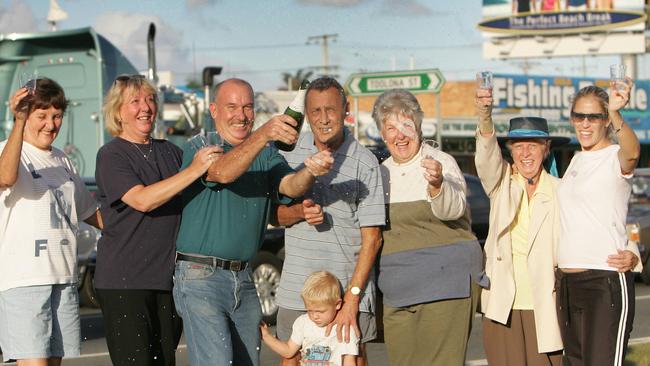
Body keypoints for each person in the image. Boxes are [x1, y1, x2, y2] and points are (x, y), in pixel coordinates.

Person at [172, 78, 334, 366]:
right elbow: (221, 172)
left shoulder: (267, 153)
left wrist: (310, 171)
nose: (241, 115)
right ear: (214, 110)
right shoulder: (201, 144)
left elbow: (290, 186)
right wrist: (263, 134)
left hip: (244, 278)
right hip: (200, 276)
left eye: (248, 107)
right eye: (231, 106)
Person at [94, 75, 219, 366]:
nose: (145, 107)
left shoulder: (170, 152)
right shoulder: (111, 155)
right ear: (117, 112)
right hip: (124, 283)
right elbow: (143, 200)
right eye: (135, 101)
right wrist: (194, 170)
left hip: (167, 281)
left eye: (150, 99)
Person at [273, 76, 385, 366]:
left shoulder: (365, 162)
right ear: (307, 114)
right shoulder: (288, 155)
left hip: (345, 296)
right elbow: (274, 216)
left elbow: (372, 240)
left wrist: (351, 301)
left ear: (345, 109)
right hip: (297, 291)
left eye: (331, 110)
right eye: (316, 112)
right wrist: (299, 212)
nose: (324, 119)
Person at [372, 89, 487, 365]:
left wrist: (437, 185)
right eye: (391, 128)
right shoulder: (379, 173)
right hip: (398, 291)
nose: (400, 136)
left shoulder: (440, 162)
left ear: (419, 128)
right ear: (382, 134)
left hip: (446, 286)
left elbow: (454, 209)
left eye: (406, 126)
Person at [0, 78, 102, 365]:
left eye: (56, 116)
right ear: (25, 115)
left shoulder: (62, 160)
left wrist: (138, 230)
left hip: (64, 277)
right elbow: (5, 178)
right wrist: (17, 123)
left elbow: (90, 212)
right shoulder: (8, 150)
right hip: (25, 281)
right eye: (41, 116)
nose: (50, 124)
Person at [475, 86, 567, 365]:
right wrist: (484, 114)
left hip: (545, 304)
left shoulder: (560, 190)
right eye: (519, 146)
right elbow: (486, 155)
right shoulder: (501, 184)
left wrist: (629, 251)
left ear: (546, 149)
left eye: (533, 145)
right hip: (504, 304)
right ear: (510, 151)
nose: (526, 153)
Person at [556, 82, 642, 366]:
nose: (585, 123)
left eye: (594, 116)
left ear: (605, 120)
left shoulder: (613, 157)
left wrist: (617, 112)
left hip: (604, 281)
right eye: (579, 116)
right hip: (568, 283)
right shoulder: (576, 160)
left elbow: (632, 152)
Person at [261, 271, 358, 366]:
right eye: (310, 310)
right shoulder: (303, 323)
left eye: (321, 311)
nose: (315, 316)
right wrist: (266, 336)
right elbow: (289, 350)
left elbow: (349, 362)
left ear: (337, 304)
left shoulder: (345, 329)